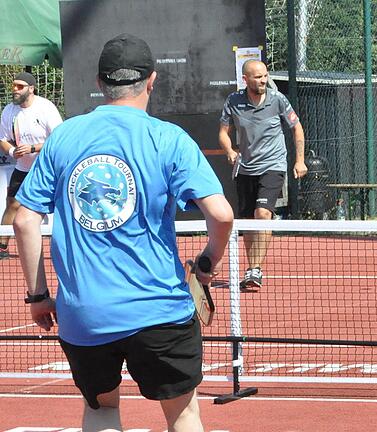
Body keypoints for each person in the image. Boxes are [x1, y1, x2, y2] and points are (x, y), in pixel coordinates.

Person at [12, 34, 233, 431]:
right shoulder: (169, 139)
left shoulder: (63, 137)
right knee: (183, 415)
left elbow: (24, 220)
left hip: (85, 315)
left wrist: (38, 295)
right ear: (152, 80)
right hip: (161, 311)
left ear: (99, 84)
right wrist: (205, 264)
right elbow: (221, 215)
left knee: (102, 410)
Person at [218, 59, 307, 290]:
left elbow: (296, 127)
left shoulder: (278, 100)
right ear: (245, 79)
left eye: (265, 76)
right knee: (248, 221)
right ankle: (252, 267)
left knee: (263, 213)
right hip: (245, 168)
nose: (263, 81)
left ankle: (255, 269)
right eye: (258, 77)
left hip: (273, 165)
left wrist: (299, 160)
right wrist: (229, 150)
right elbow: (223, 133)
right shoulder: (233, 101)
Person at [0, 72, 62, 259]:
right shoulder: (9, 110)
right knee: (12, 203)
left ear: (31, 88)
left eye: (20, 86)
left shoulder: (46, 108)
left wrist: (33, 148)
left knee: (58, 204)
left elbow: (58, 139)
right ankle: (2, 246)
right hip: (22, 167)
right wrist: (13, 152)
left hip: (47, 166)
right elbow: (3, 139)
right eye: (14, 86)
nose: (15, 90)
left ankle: (60, 244)